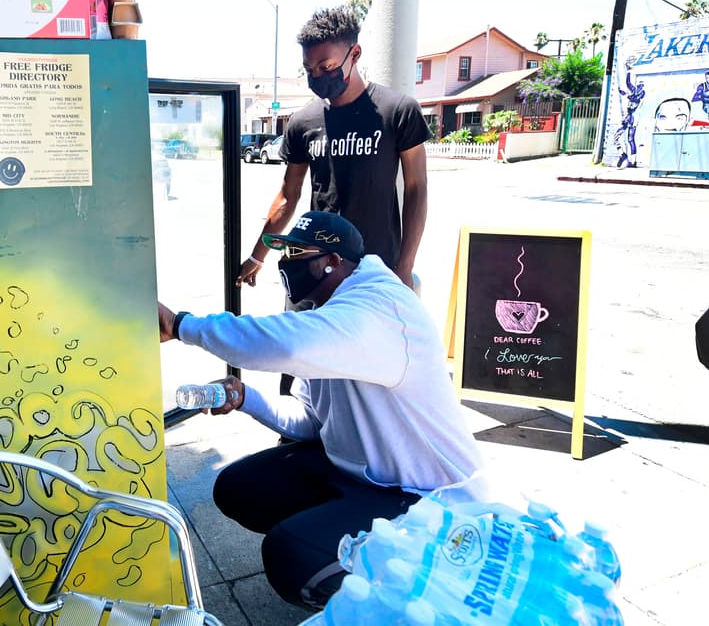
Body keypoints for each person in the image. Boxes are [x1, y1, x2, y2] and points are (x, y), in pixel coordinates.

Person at [158, 211, 484, 607]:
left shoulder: (381, 307)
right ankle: (348, 546)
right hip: (363, 476)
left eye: (297, 253)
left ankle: (402, 594)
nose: (285, 263)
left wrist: (182, 326)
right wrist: (246, 398)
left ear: (332, 261)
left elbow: (286, 345)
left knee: (292, 555)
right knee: (238, 488)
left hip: (425, 497)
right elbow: (310, 422)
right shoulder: (328, 315)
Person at [235, 6, 430, 294]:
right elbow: (289, 197)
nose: (317, 77)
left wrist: (404, 269)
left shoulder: (398, 111)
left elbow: (417, 189)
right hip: (319, 271)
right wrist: (257, 255)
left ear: (355, 54)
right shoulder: (302, 122)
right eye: (309, 70)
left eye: (326, 67)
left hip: (378, 270)